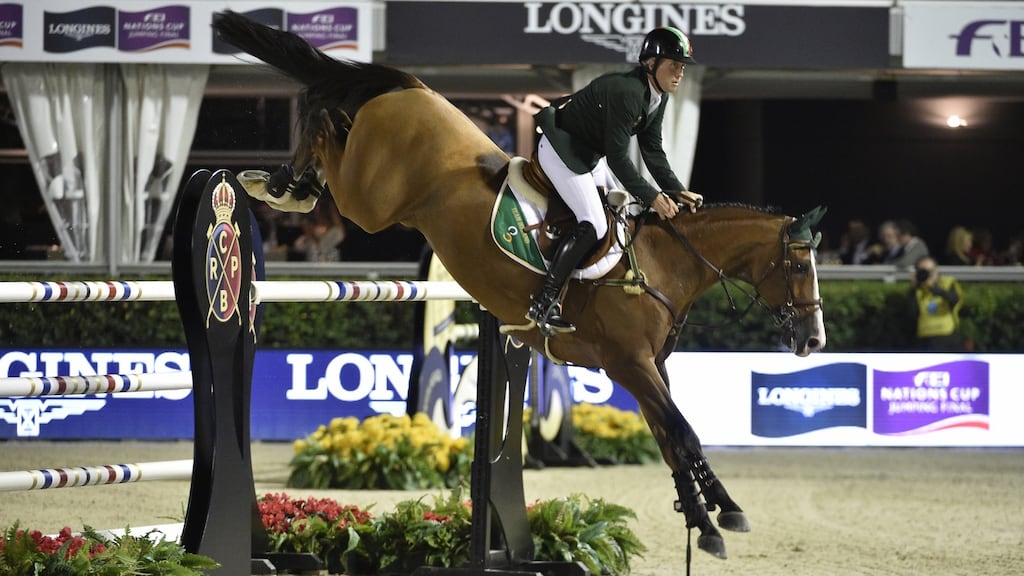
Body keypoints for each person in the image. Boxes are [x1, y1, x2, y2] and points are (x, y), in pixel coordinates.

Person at [528, 26, 703, 336]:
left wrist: (676, 190)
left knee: (618, 217)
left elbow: (652, 149)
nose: (680, 73)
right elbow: (619, 159)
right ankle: (544, 302)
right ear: (651, 64)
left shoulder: (655, 97)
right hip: (561, 148)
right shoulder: (628, 94)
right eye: (674, 65)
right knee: (595, 222)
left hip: (587, 152)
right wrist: (651, 196)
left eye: (682, 67)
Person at [908, 255, 964, 351]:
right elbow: (911, 314)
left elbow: (954, 299)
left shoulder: (947, 282)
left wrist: (933, 287)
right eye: (923, 272)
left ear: (936, 270)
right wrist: (913, 289)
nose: (927, 275)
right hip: (925, 336)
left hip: (946, 334)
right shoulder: (918, 291)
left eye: (930, 271)